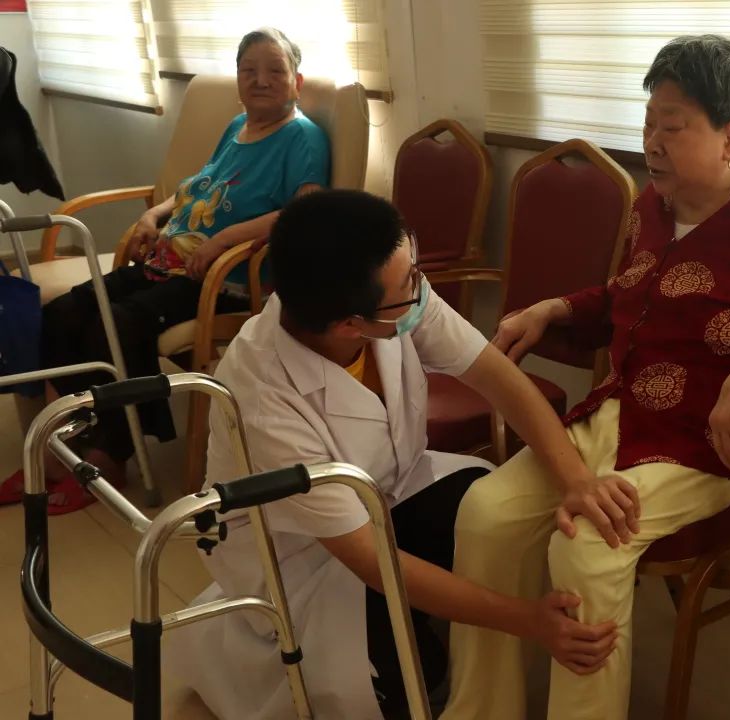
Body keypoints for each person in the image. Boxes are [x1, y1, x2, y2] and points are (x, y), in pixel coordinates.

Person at [441, 35, 730, 720]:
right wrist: (555, 309)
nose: (652, 143)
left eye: (672, 127)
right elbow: (627, 298)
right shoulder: (653, 206)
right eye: (648, 124)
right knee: (486, 513)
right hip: (617, 413)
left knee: (589, 543)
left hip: (708, 445)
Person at [168, 189, 628, 719]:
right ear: (350, 324)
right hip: (303, 558)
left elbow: (495, 375)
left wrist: (576, 479)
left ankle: (427, 621)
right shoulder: (263, 400)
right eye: (409, 285)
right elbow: (368, 560)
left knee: (493, 519)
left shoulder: (390, 292)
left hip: (393, 490)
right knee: (412, 681)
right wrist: (530, 621)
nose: (421, 291)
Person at [0, 27, 329, 514]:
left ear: (296, 81)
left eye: (274, 71)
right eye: (249, 71)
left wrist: (222, 240)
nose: (260, 80)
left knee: (117, 324)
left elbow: (306, 212)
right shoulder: (237, 127)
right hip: (167, 263)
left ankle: (111, 456)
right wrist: (153, 216)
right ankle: (68, 444)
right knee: (66, 311)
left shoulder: (302, 137)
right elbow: (198, 186)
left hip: (223, 279)